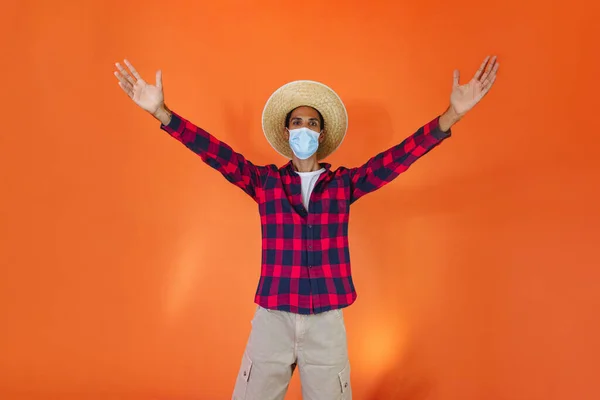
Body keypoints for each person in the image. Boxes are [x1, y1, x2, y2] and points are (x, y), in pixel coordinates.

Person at [113, 56, 499, 400]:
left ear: (320, 134)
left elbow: (395, 160)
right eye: (297, 122)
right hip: (273, 317)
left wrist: (450, 116)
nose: (304, 129)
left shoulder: (344, 185)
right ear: (286, 133)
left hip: (326, 322)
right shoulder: (264, 182)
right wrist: (163, 113)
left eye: (311, 123)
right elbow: (216, 153)